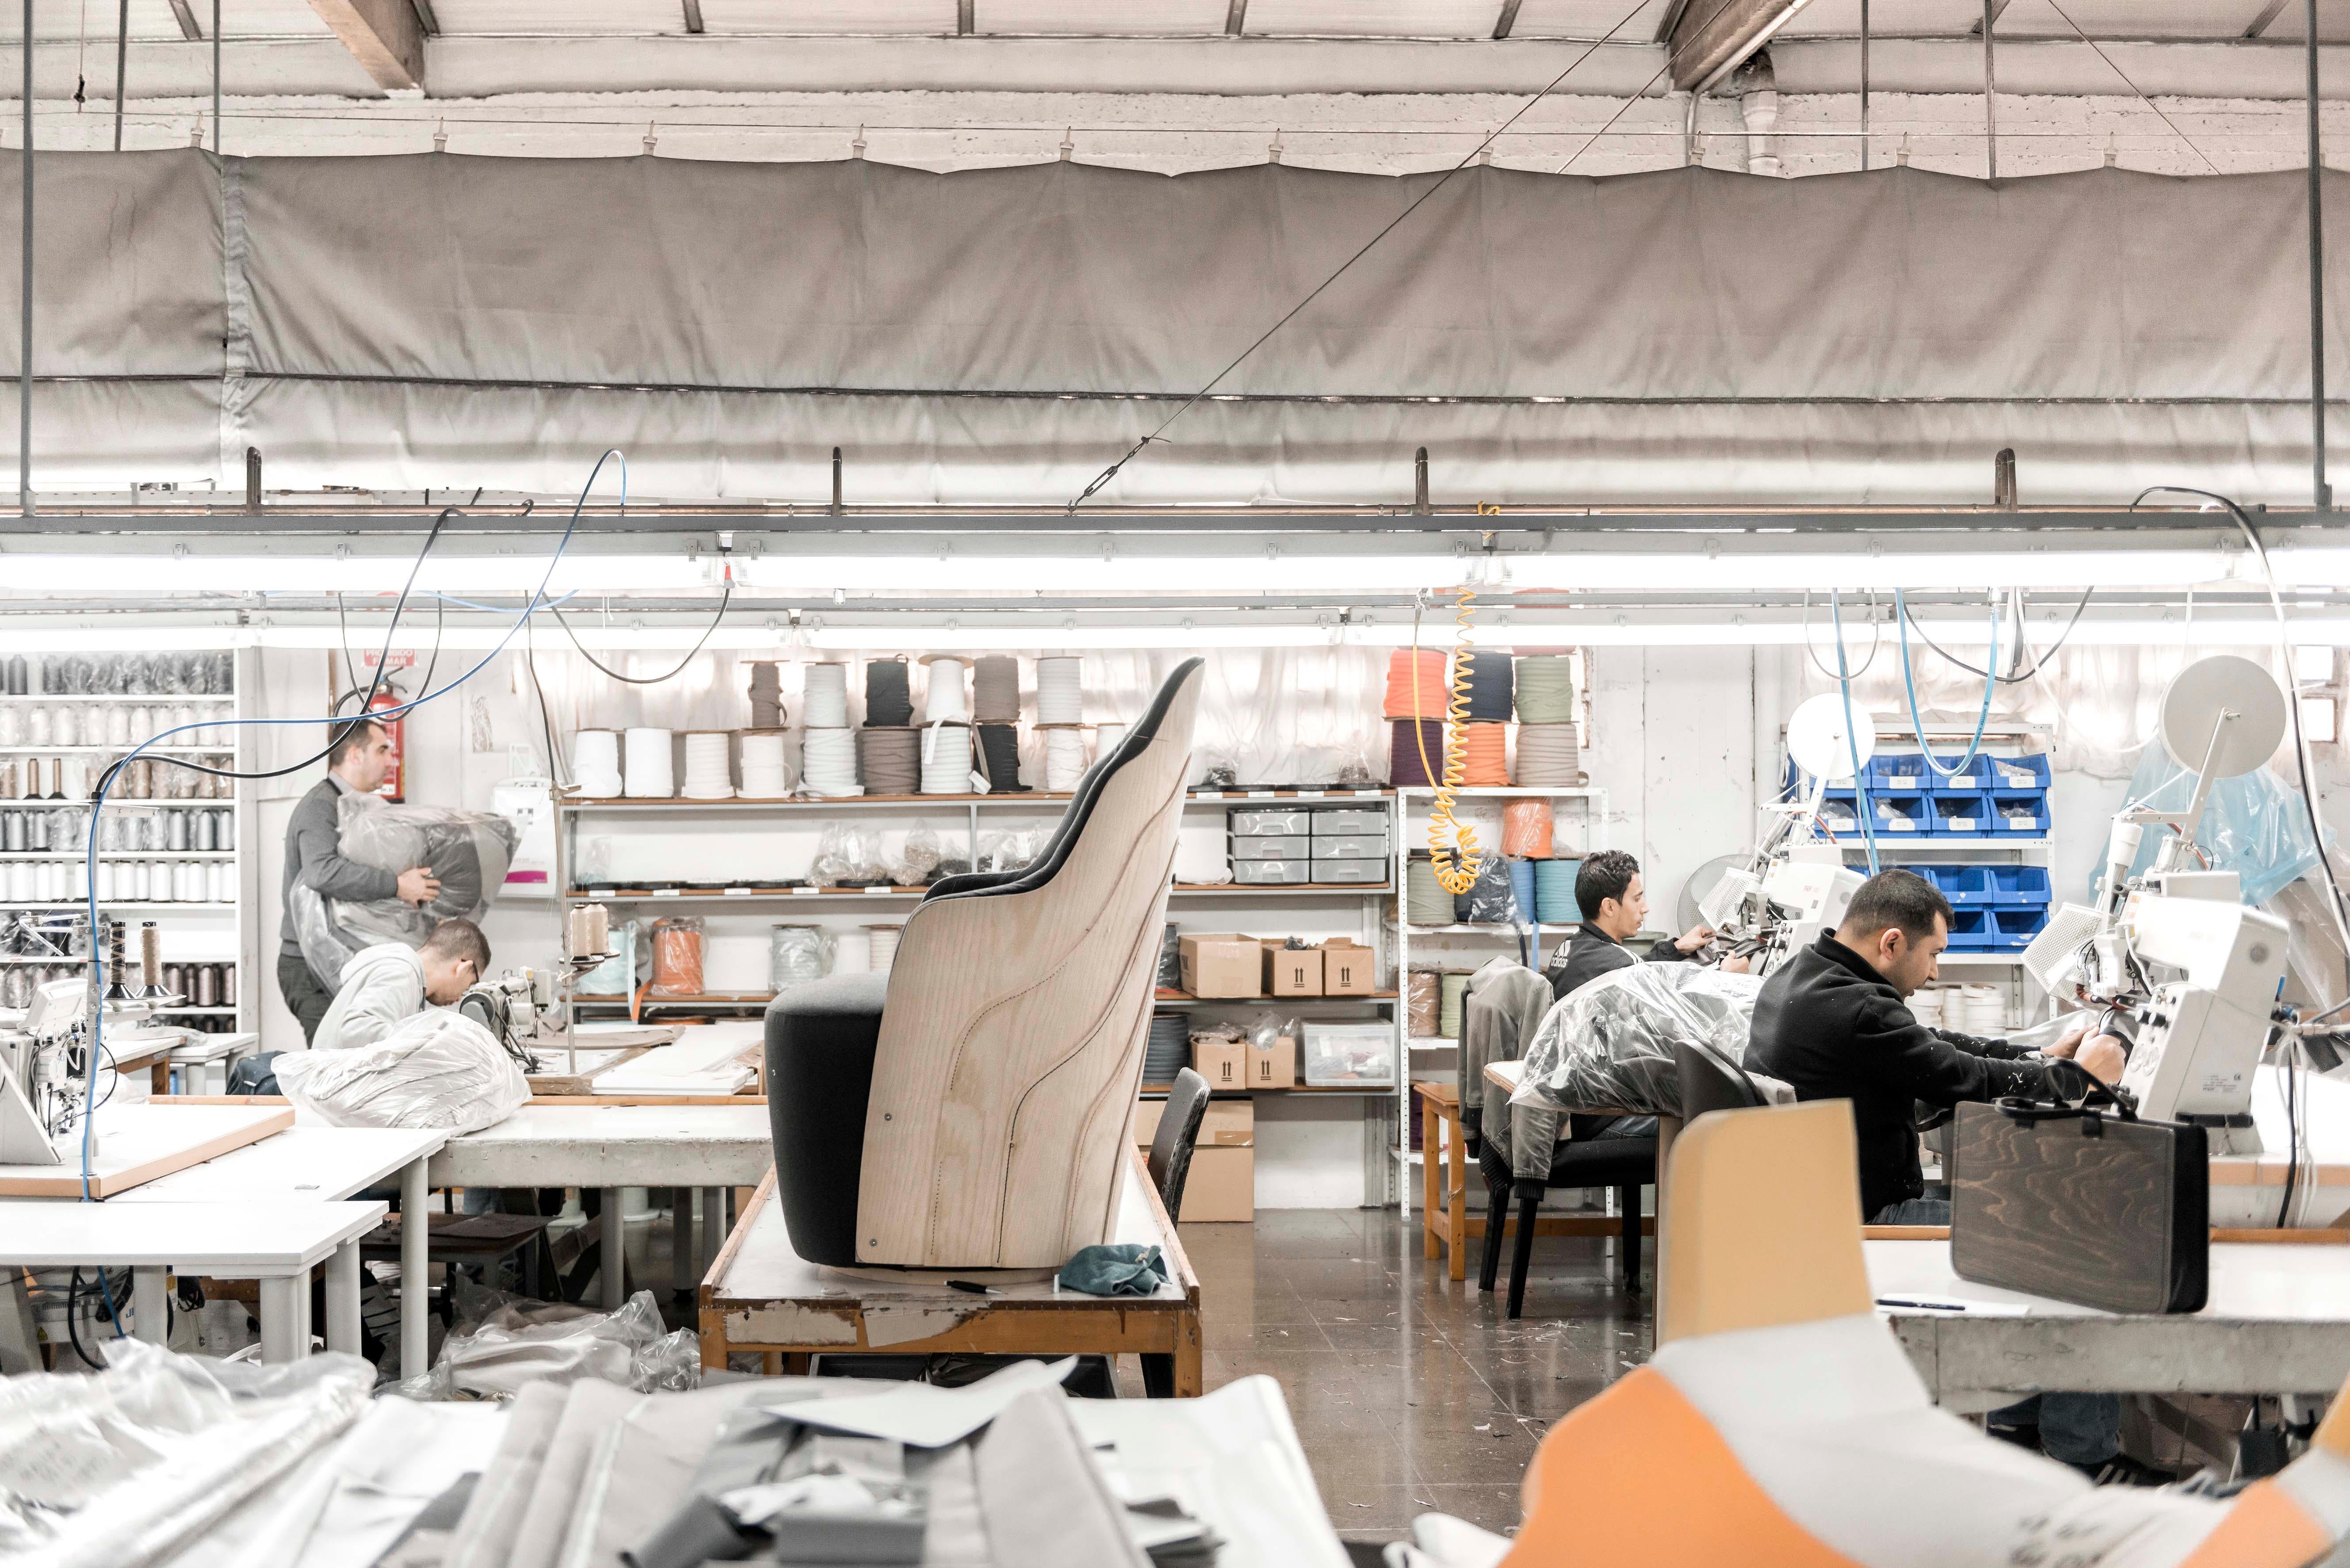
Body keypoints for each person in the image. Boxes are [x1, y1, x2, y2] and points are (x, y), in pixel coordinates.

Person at [1744, 868, 2155, 1483]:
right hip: (1869, 1219)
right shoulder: (1856, 1007)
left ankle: (2019, 1423)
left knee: (2033, 1232)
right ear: (1890, 943)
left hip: (1819, 1209)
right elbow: (1958, 1077)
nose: (1934, 972)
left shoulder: (1805, 976)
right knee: (2078, 1255)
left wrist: (2037, 1058)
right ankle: (2083, 1462)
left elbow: (1930, 1044)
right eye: (1933, 954)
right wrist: (2081, 1079)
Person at [278, 718, 440, 1043]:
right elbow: (321, 872)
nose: (391, 761)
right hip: (308, 967)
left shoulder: (358, 808)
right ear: (354, 755)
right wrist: (397, 885)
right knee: (334, 1062)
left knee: (356, 1054)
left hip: (335, 957)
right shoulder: (321, 806)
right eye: (382, 750)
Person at [1544, 849, 1739, 1004]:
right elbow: (1675, 1010)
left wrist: (1677, 947)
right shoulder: (1618, 964)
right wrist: (1723, 979)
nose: (1645, 908)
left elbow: (1634, 968)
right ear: (1609, 907)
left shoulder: (1569, 949)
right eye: (1637, 899)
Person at [313, 919, 491, 1053]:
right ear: (463, 968)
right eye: (468, 985)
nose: (460, 997)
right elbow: (357, 1031)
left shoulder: (410, 978)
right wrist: (429, 1044)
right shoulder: (401, 974)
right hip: (330, 1091)